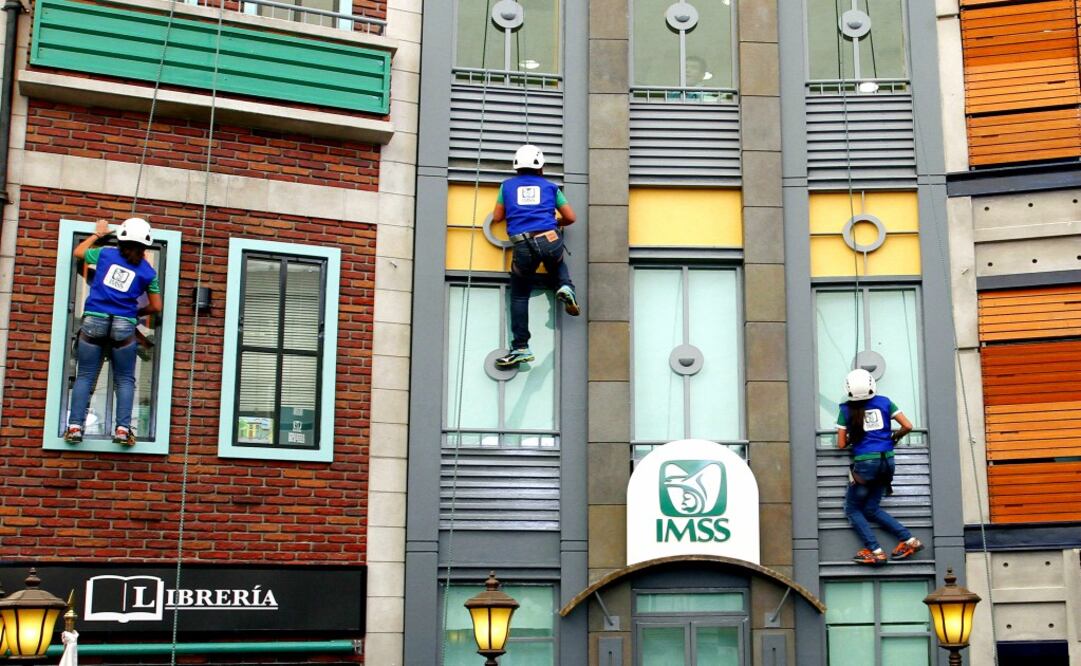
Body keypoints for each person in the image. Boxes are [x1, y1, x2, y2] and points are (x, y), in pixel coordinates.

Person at [64, 217, 162, 446]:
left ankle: (75, 427)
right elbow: (156, 307)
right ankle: (122, 430)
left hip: (94, 321)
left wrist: (98, 234)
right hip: (123, 326)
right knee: (125, 380)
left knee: (86, 376)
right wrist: (137, 312)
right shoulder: (148, 272)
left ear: (121, 238)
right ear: (145, 244)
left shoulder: (106, 254)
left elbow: (79, 253)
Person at [491, 144, 579, 368]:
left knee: (520, 295)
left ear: (517, 166)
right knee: (557, 261)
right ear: (541, 166)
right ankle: (566, 287)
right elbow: (570, 217)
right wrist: (554, 222)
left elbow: (498, 217)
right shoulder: (551, 188)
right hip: (549, 238)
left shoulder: (507, 187)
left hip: (522, 243)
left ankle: (520, 347)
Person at [836, 368, 923, 566]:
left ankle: (875, 551)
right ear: (871, 385)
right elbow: (908, 426)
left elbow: (841, 444)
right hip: (887, 462)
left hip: (866, 465)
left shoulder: (845, 409)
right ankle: (910, 541)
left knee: (852, 509)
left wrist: (855, 437)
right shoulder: (885, 402)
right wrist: (893, 438)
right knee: (871, 509)